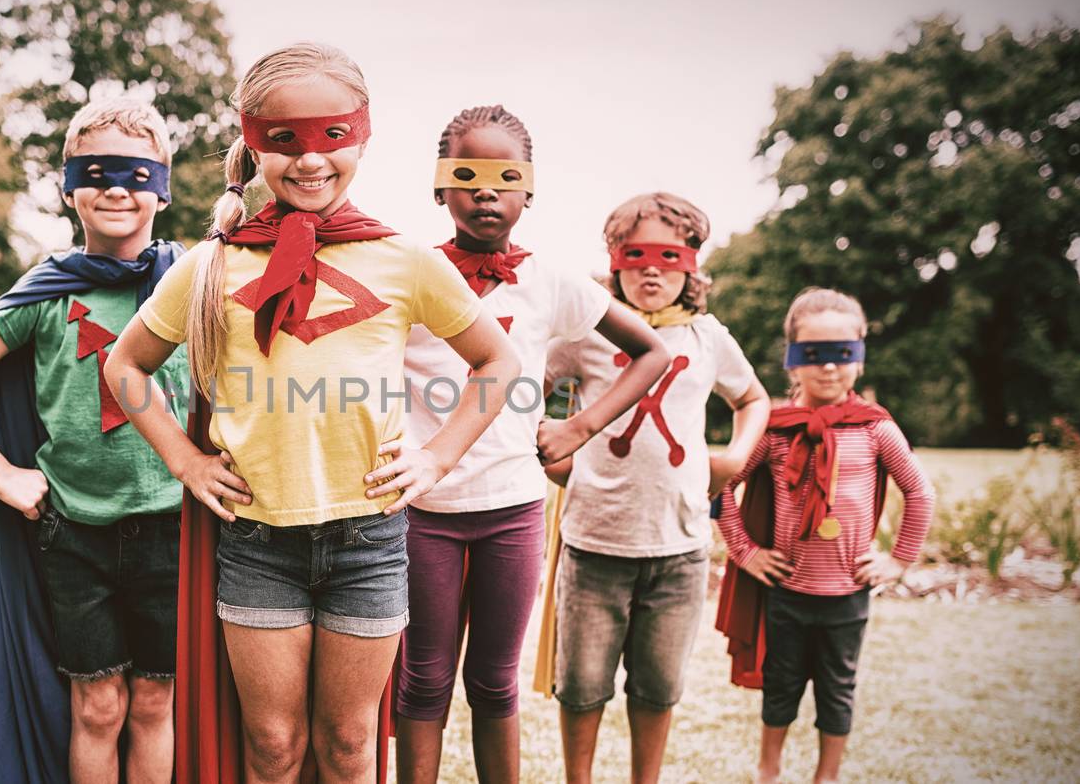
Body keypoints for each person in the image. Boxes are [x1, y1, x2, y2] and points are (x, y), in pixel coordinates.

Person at [105, 42, 521, 783]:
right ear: (251, 142)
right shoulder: (212, 263)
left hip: (368, 537)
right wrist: (184, 457)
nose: (309, 161)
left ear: (361, 136)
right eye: (283, 142)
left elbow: (498, 362)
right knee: (271, 746)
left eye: (332, 136)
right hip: (258, 538)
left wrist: (437, 455)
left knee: (353, 744)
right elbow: (125, 364)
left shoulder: (404, 260)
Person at [395, 109, 668, 784]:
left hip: (511, 510)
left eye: (505, 177)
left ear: (529, 191)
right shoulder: (409, 273)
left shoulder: (553, 280)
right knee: (422, 678)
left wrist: (578, 427)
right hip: (421, 511)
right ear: (439, 189)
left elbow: (650, 351)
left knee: (493, 681)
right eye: (468, 175)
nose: (486, 192)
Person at [0, 97, 187, 784]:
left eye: (135, 172)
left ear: (162, 184)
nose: (115, 188)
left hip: (170, 527)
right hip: (76, 533)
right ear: (69, 188)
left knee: (155, 702)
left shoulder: (190, 284)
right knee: (97, 706)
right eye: (96, 172)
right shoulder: (44, 291)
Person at [543, 192, 770, 784]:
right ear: (615, 261)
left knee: (658, 687)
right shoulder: (588, 334)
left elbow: (751, 398)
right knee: (583, 687)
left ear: (692, 264)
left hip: (680, 547)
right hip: (595, 545)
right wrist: (548, 451)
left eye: (669, 257)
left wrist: (736, 458)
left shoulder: (708, 339)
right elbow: (521, 383)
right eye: (636, 254)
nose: (651, 269)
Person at [714, 287, 934, 784]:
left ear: (860, 359)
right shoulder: (774, 428)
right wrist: (745, 551)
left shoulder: (876, 429)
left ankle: (826, 776)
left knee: (838, 690)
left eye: (843, 354)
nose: (829, 368)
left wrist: (899, 560)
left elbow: (920, 493)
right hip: (787, 590)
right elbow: (723, 485)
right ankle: (768, 771)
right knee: (781, 685)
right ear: (792, 360)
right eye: (813, 355)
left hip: (847, 595)